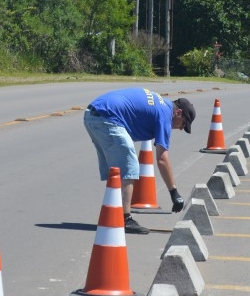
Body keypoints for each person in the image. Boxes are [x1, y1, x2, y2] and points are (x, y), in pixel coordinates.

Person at [84, 87, 195, 234]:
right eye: (183, 124)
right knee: (130, 169)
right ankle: (125, 220)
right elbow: (162, 158)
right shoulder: (165, 116)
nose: (181, 128)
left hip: (92, 115)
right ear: (178, 112)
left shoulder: (162, 105)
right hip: (108, 118)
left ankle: (111, 215)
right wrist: (174, 192)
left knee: (115, 172)